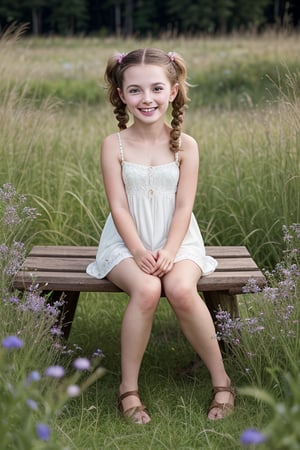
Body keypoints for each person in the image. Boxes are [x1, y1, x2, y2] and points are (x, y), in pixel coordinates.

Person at [86, 48, 235, 424]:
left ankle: (222, 382)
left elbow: (184, 207)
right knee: (149, 289)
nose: (146, 98)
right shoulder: (113, 145)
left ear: (173, 91)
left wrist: (170, 250)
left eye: (155, 88)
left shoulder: (187, 146)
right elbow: (119, 207)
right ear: (121, 95)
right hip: (126, 241)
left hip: (178, 239)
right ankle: (129, 389)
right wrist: (137, 251)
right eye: (135, 90)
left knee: (182, 289)